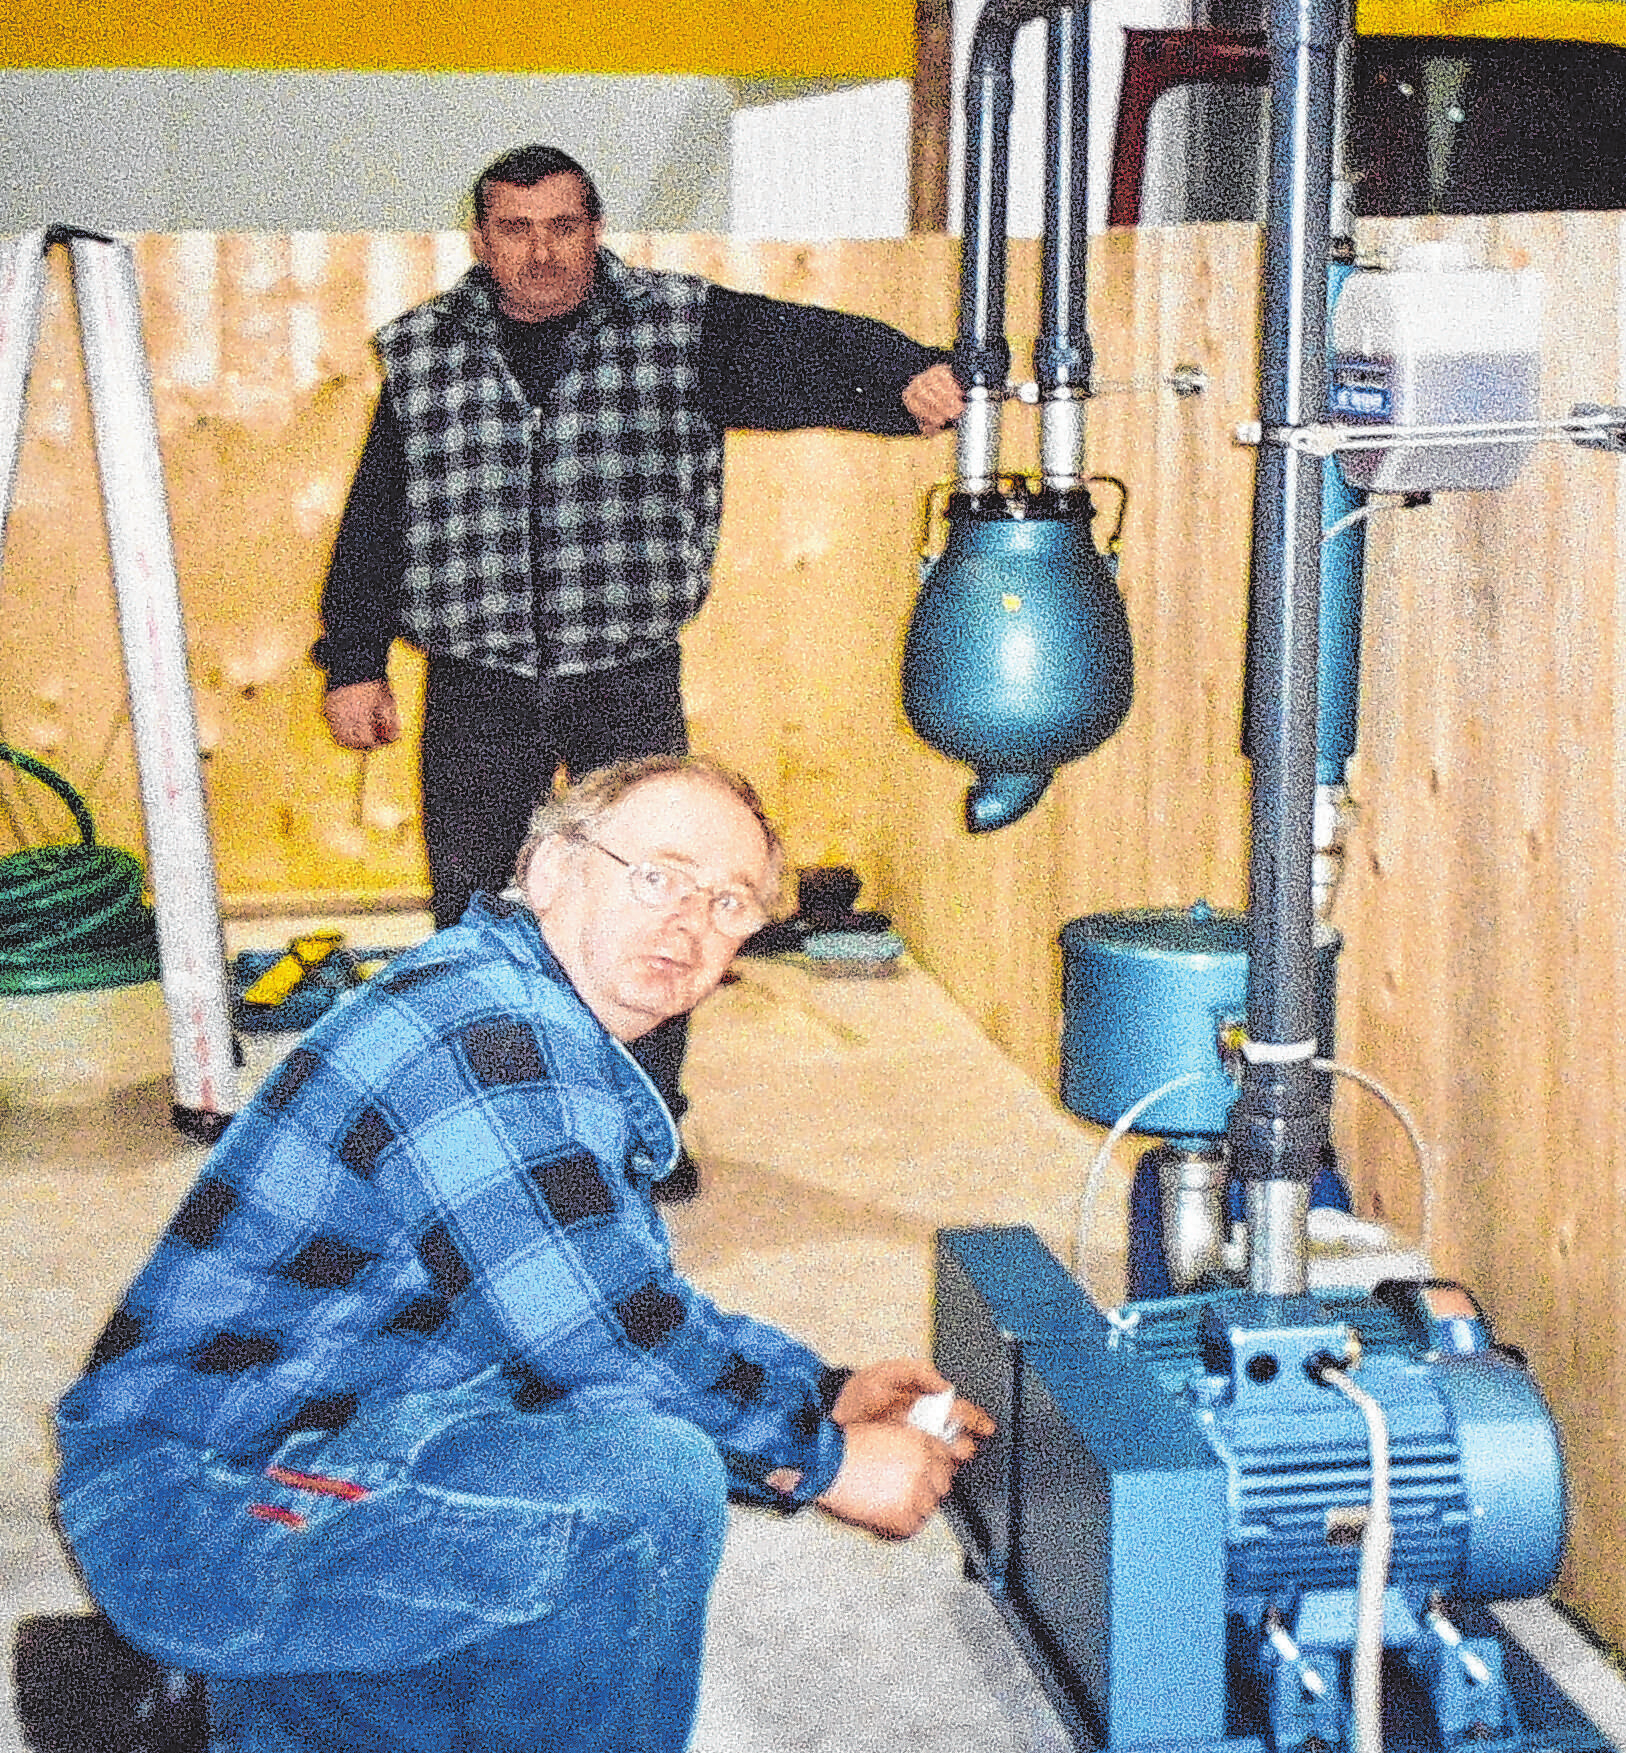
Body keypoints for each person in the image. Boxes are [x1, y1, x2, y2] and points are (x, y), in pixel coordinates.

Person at [54, 754, 992, 1753]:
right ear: (549, 869)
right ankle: (242, 1677)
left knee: (592, 1446)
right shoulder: (490, 1037)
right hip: (201, 1508)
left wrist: (820, 1389)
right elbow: (597, 1340)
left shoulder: (524, 1012)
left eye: (728, 904)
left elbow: (626, 1305)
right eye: (657, 876)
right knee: (640, 1491)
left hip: (299, 1445)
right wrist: (825, 1461)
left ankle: (253, 1704)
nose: (688, 924)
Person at [314, 143, 965, 1200]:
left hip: (624, 670)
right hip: (476, 679)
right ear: (482, 238)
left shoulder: (675, 324)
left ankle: (642, 1121)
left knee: (660, 907)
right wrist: (353, 660)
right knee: (481, 908)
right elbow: (376, 521)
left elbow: (804, 353)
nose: (539, 252)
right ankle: (505, 1124)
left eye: (562, 226)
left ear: (595, 228)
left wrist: (904, 374)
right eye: (514, 229)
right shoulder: (423, 352)